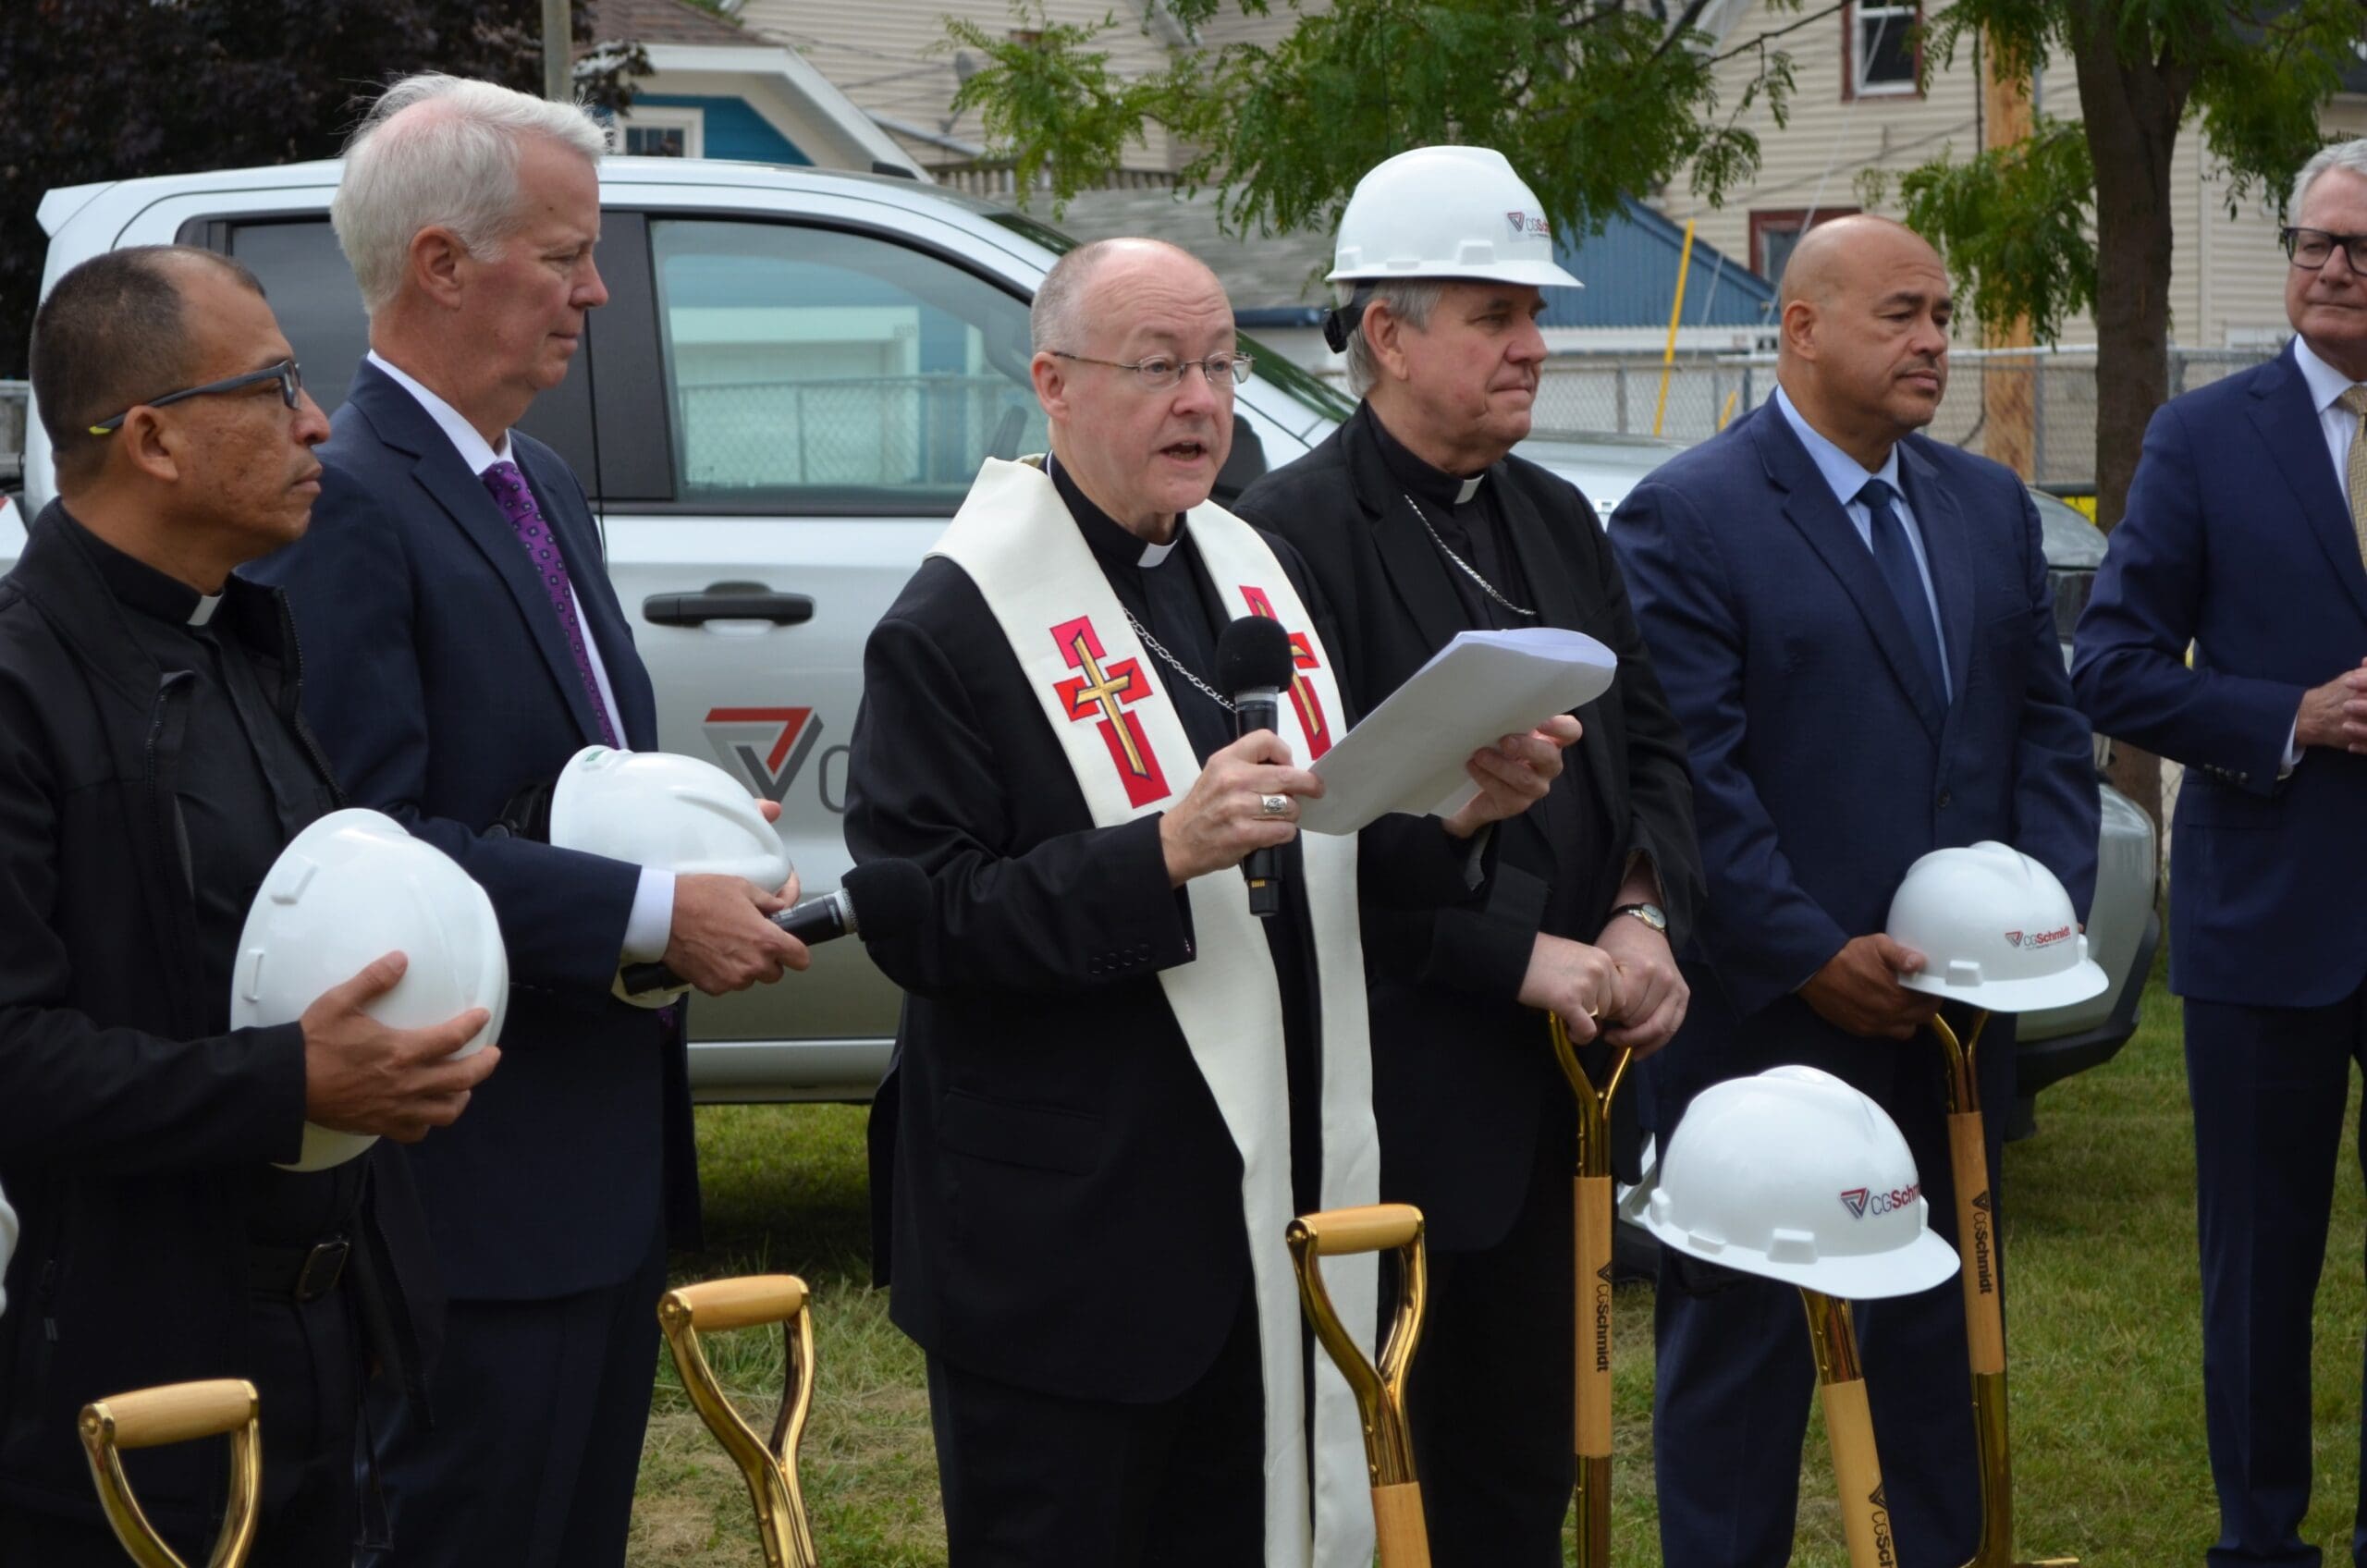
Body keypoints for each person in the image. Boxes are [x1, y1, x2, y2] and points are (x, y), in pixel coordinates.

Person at [844, 236, 1572, 1568]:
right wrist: (1154, 854)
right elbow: (920, 918)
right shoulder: (955, 622)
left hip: (1264, 1221)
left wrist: (1461, 808)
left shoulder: (1243, 572)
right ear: (1052, 385)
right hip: (1071, 1256)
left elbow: (1321, 857)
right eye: (1159, 367)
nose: (1201, 400)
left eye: (1221, 364)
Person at [247, 76, 806, 1568]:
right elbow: (366, 837)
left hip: (589, 1147)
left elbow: (567, 767)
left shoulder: (536, 482)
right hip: (470, 1175)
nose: (596, 292)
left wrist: (681, 831)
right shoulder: (351, 499)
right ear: (441, 263)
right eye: (564, 256)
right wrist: (644, 913)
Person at [1233, 145, 1704, 1568]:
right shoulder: (1286, 544)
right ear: (1388, 331)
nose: (1535, 348)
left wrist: (1641, 916)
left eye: (1533, 315)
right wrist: (1518, 961)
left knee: (1525, 1475)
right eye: (1497, 316)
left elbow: (1660, 752)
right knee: (1395, 1487)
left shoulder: (1558, 517)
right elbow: (1304, 850)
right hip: (1397, 1100)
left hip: (1568, 1095)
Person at [0, 246, 498, 1565]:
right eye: (275, 385)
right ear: (153, 439)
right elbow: (11, 1056)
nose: (318, 419)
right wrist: (289, 1084)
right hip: (131, 1390)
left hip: (326, 1355)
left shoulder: (239, 647)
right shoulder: (21, 686)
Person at [1613, 214, 2098, 1567]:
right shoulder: (1692, 515)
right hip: (1773, 1023)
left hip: (1954, 1020)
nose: (1935, 340)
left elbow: (2045, 735)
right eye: (1900, 313)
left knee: (1941, 1339)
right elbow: (1698, 771)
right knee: (1744, 1353)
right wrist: (1815, 948)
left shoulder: (1987, 504)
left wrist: (2031, 926)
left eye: (1941, 313)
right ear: (1803, 328)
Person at [2074, 140, 2367, 1567]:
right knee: (2260, 1266)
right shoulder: (2207, 438)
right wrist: (2288, 716)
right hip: (2272, 921)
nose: (2331, 268)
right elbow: (2111, 667)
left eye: (2360, 251)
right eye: (2315, 242)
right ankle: (2262, 1540)